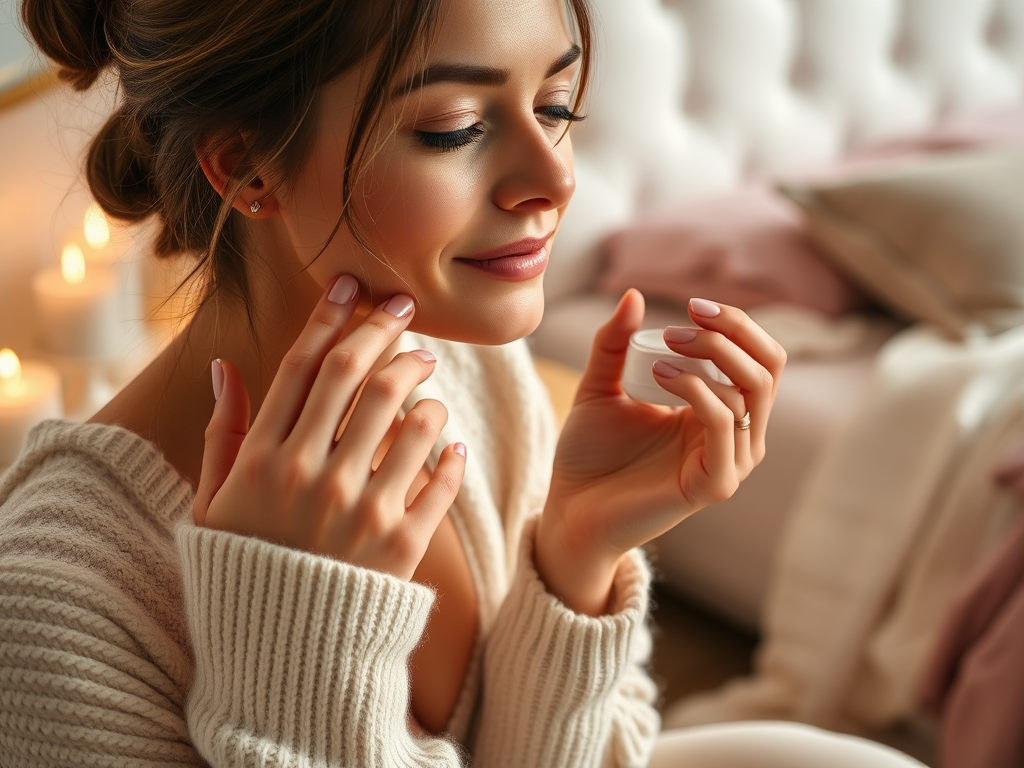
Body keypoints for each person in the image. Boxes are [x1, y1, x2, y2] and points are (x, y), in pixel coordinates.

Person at [0, 0, 925, 765]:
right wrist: (296, 629)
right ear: (245, 165)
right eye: (458, 128)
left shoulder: (474, 373)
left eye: (557, 106)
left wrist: (573, 554)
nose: (554, 177)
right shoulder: (53, 606)